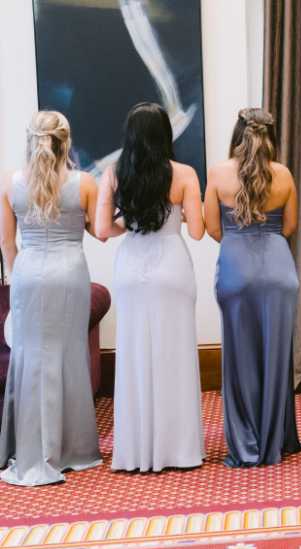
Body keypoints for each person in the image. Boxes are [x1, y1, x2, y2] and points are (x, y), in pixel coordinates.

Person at [95, 103, 206, 473]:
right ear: (165, 133)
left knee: (135, 356)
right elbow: (197, 231)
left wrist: (132, 221)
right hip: (172, 268)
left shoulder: (113, 174)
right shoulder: (185, 173)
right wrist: (176, 213)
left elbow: (101, 231)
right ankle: (179, 449)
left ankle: (137, 450)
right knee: (174, 356)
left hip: (131, 268)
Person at [0, 111, 103, 486]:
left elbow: (6, 243)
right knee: (69, 355)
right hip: (70, 272)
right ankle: (73, 449)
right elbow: (99, 230)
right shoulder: (85, 182)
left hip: (28, 273)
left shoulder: (11, 182)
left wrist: (18, 279)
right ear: (66, 141)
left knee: (29, 356)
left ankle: (25, 447)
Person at [204, 108, 301, 468]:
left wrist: (237, 241)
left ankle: (246, 444)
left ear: (237, 135)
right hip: (279, 270)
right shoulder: (284, 175)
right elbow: (289, 226)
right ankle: (276, 439)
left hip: (235, 268)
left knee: (240, 357)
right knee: (276, 356)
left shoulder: (218, 173)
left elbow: (213, 228)